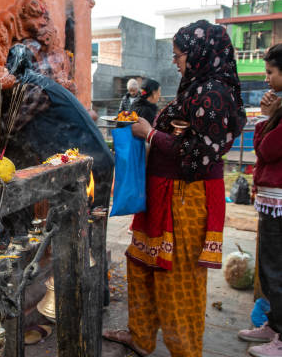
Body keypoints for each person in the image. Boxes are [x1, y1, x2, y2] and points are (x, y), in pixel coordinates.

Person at [103, 20, 246, 356]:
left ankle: (186, 351)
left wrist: (151, 134)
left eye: (179, 54)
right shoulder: (194, 88)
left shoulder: (214, 94)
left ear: (199, 54)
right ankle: (139, 336)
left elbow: (199, 154)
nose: (174, 60)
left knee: (177, 280)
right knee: (141, 265)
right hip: (163, 191)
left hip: (186, 197)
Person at [0, 43, 114, 238]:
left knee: (86, 230)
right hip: (90, 162)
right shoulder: (42, 83)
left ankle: (86, 265)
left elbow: (10, 127)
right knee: (85, 228)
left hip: (91, 166)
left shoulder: (34, 89)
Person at [237, 43, 282, 357]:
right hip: (271, 199)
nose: (266, 79)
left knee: (277, 270)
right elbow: (261, 148)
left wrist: (266, 117)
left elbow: (267, 151)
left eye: (270, 72)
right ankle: (273, 326)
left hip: (279, 201)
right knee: (269, 270)